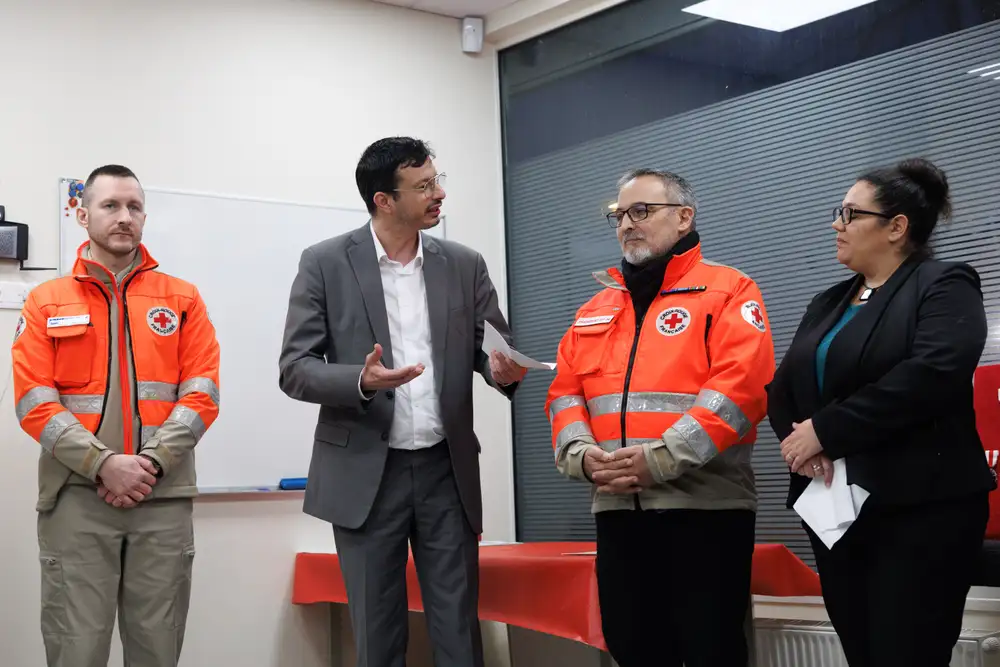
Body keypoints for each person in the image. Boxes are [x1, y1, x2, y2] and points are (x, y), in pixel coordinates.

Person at [278, 136, 526, 667]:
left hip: (446, 471)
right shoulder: (324, 262)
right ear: (383, 200)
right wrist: (361, 382)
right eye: (424, 186)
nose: (439, 195)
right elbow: (295, 370)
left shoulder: (464, 264)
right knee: (377, 629)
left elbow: (493, 352)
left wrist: (502, 371)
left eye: (437, 181)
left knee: (459, 629)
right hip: (367, 471)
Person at [769, 157, 995, 667]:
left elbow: (932, 373)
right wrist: (800, 445)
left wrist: (825, 431)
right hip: (836, 512)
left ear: (896, 227)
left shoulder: (944, 283)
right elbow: (783, 389)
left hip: (921, 509)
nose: (836, 224)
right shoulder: (829, 300)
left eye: (849, 214)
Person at [545, 168, 775, 667]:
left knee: (709, 650)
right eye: (619, 215)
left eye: (641, 211)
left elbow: (740, 390)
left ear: (684, 217)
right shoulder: (595, 309)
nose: (627, 223)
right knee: (633, 649)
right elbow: (566, 396)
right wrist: (582, 458)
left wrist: (661, 458)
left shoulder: (729, 290)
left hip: (705, 509)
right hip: (616, 508)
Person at [11, 164, 221, 667]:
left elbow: (202, 394)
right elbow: (33, 401)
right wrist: (104, 463)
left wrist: (146, 466)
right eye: (110, 206)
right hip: (76, 501)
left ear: (144, 216)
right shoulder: (46, 301)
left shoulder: (182, 299)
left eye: (134, 207)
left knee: (157, 648)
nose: (124, 217)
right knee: (75, 648)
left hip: (162, 499)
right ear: (83, 215)